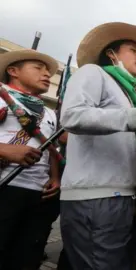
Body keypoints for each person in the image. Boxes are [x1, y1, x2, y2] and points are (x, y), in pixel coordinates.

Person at [59, 22, 136, 269]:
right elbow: (72, 116)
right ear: (111, 54)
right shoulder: (94, 73)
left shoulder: (128, 95)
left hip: (119, 195)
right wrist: (135, 118)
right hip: (95, 196)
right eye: (133, 49)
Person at [0, 49, 60, 269]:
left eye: (48, 71)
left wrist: (54, 177)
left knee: (27, 257)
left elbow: (51, 147)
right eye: (38, 68)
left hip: (39, 194)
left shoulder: (49, 112)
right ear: (13, 71)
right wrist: (5, 150)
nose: (47, 74)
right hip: (5, 187)